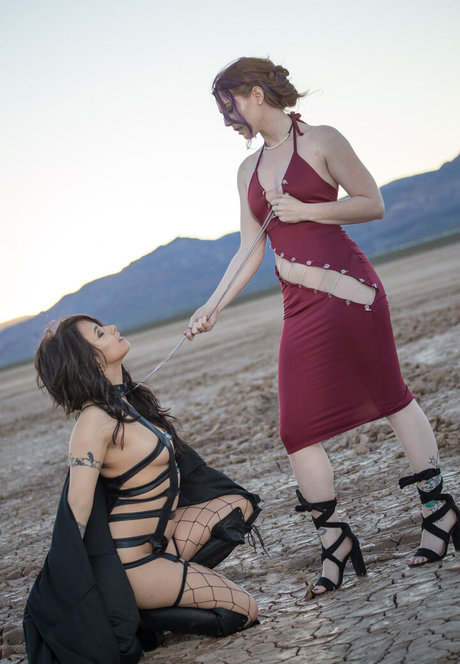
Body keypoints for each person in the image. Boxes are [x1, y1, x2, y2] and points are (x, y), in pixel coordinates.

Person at [186, 56, 460, 597]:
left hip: (351, 293)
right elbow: (250, 248)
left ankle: (439, 513)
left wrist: (307, 211)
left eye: (229, 104)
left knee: (392, 398)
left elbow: (372, 203)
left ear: (256, 92)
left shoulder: (323, 140)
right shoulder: (246, 171)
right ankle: (335, 541)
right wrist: (212, 306)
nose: (226, 118)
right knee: (296, 430)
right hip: (299, 306)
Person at [27, 314, 259, 660]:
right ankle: (142, 614)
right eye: (100, 333)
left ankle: (169, 581)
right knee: (246, 610)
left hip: (163, 539)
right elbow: (76, 511)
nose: (113, 329)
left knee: (239, 504)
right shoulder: (93, 423)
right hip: (134, 562)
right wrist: (72, 586)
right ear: (91, 359)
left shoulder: (126, 401)